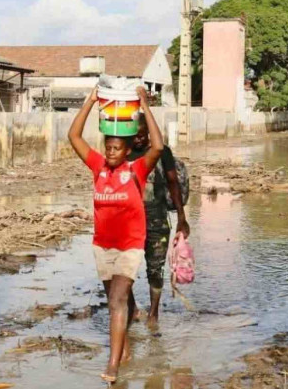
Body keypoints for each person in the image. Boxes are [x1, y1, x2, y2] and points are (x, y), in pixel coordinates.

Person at [68, 85, 164, 385]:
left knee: (116, 301)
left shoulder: (136, 169)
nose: (110, 152)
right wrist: (90, 101)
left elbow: (158, 147)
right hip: (103, 247)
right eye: (107, 148)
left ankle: (113, 364)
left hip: (129, 247)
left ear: (126, 151)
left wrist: (145, 106)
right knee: (115, 300)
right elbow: (73, 137)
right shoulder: (97, 167)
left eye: (116, 149)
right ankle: (124, 350)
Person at [127, 112, 190, 328]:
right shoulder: (122, 152)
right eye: (135, 136)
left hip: (156, 219)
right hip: (127, 223)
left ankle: (153, 313)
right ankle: (132, 308)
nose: (139, 140)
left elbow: (173, 183)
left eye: (143, 135)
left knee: (155, 268)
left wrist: (181, 217)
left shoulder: (162, 153)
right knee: (126, 269)